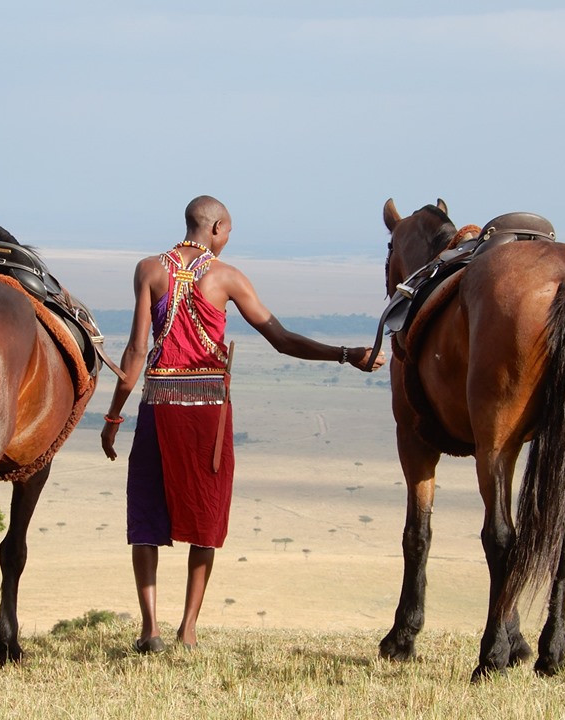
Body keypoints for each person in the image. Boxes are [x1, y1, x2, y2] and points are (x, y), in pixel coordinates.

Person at [100, 195, 385, 654]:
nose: (228, 240)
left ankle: (149, 630)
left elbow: (135, 352)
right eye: (228, 232)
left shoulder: (148, 269)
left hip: (159, 404)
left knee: (148, 512)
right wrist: (346, 354)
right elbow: (282, 338)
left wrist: (114, 416)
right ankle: (188, 630)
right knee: (206, 514)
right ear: (215, 228)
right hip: (209, 410)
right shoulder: (226, 277)